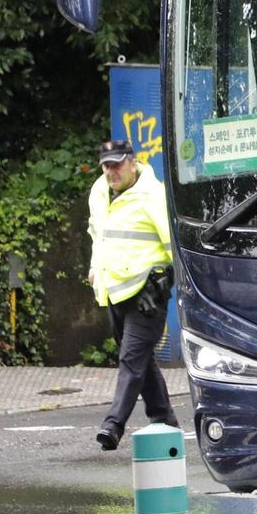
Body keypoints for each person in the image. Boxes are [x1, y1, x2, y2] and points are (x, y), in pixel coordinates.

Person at [88, 139, 178, 450]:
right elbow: (96, 234)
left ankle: (113, 425)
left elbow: (174, 244)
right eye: (106, 165)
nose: (111, 171)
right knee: (139, 360)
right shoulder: (99, 192)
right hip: (113, 290)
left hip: (147, 295)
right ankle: (164, 418)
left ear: (133, 162)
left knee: (130, 358)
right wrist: (93, 267)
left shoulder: (153, 195)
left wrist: (171, 282)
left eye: (117, 164)